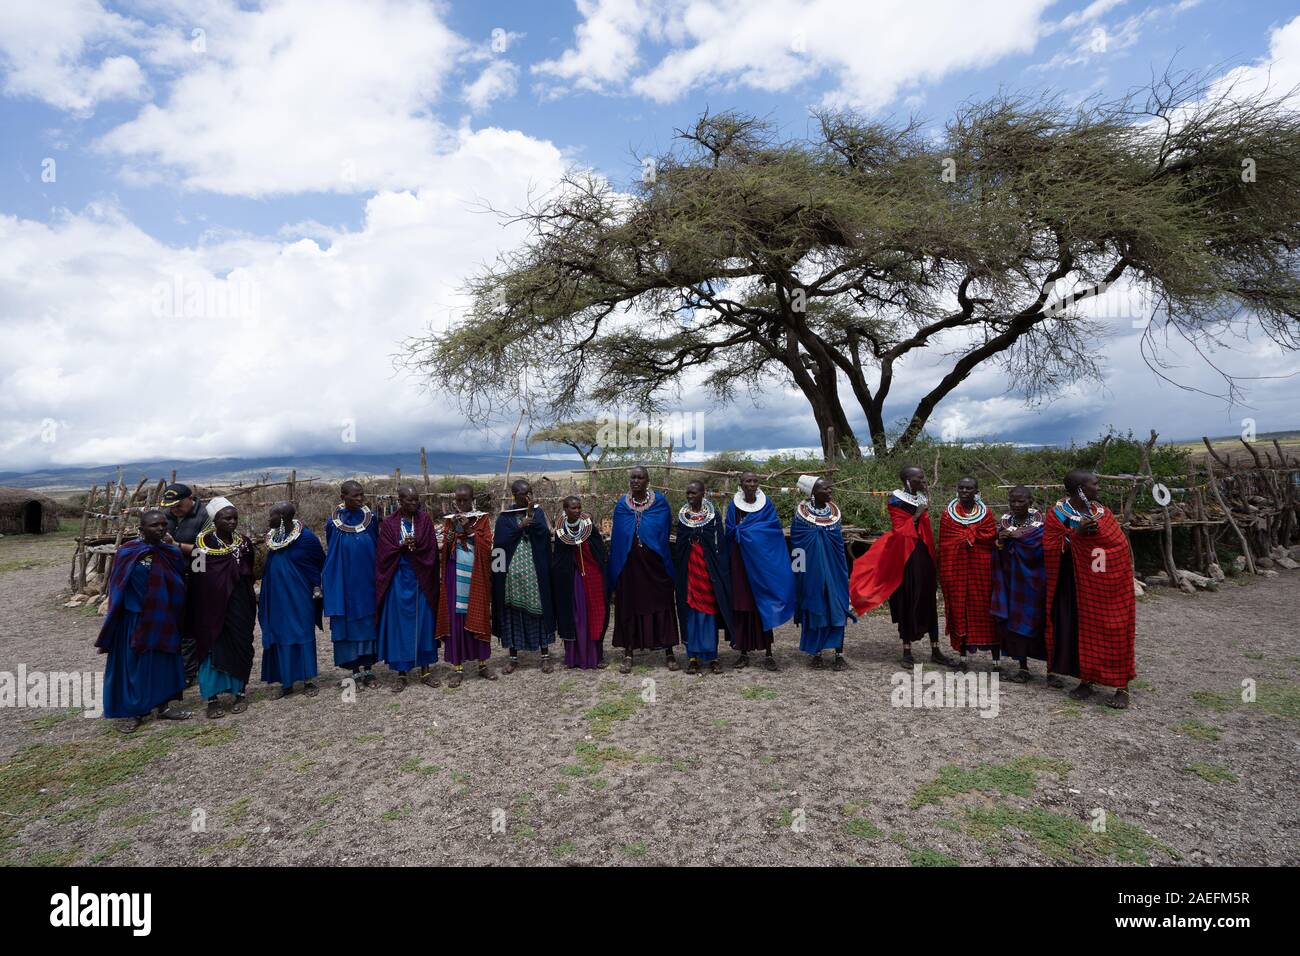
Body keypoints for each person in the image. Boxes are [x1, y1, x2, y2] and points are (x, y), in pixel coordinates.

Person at [1044, 469, 1136, 709]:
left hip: (1108, 586)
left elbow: (1118, 546)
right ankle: (1087, 680)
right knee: (1081, 632)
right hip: (1074, 585)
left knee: (1115, 629)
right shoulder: (1057, 515)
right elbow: (1051, 548)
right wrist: (1076, 534)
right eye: (1095, 484)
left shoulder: (1102, 514)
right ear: (1081, 490)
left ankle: (1122, 686)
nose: (1099, 487)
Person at [95, 508, 190, 733]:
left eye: (163, 525)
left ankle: (164, 706)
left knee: (163, 662)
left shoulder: (171, 553)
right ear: (141, 529)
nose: (160, 529)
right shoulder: (128, 552)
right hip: (134, 618)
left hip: (163, 618)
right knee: (134, 666)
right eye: (154, 525)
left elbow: (178, 584)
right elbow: (117, 586)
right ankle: (134, 712)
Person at [850, 466, 956, 668]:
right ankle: (907, 650)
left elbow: (923, 520)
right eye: (919, 477)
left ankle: (935, 649)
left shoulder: (921, 498)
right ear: (907, 480)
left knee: (928, 597)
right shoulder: (896, 500)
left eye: (924, 477)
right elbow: (900, 530)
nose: (923, 480)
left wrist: (924, 501)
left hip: (923, 551)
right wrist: (918, 514)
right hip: (906, 555)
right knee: (909, 597)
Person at [186, 498, 256, 718]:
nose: (232, 521)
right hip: (210, 606)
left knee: (240, 643)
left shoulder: (244, 543)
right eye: (227, 518)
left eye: (235, 517)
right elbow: (196, 576)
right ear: (214, 520)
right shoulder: (202, 545)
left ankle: (240, 693)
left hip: (239, 603)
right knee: (210, 648)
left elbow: (249, 571)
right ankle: (213, 698)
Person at [607, 466, 680, 674]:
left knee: (663, 604)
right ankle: (628, 653)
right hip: (630, 566)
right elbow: (619, 536)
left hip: (656, 565)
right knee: (629, 606)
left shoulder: (660, 504)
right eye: (633, 478)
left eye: (640, 478)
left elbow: (662, 532)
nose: (635, 481)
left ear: (648, 481)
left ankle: (669, 652)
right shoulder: (622, 505)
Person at [725, 471, 795, 671]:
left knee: (763, 604)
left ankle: (768, 653)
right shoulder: (734, 507)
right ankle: (743, 653)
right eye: (748, 481)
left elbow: (772, 531)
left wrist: (748, 532)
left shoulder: (766, 505)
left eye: (755, 481)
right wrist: (744, 532)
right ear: (741, 484)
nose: (752, 484)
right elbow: (730, 530)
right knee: (742, 606)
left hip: (762, 565)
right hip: (741, 564)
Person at [376, 485, 441, 691]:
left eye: (416, 500)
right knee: (399, 624)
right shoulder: (389, 523)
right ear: (400, 500)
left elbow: (431, 549)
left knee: (424, 623)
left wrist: (417, 548)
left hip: (421, 579)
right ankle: (402, 673)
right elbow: (384, 553)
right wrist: (400, 547)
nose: (414, 503)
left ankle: (426, 670)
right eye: (409, 500)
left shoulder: (424, 520)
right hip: (397, 578)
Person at [258, 501, 325, 699]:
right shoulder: (273, 538)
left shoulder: (306, 538)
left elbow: (319, 562)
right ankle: (286, 682)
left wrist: (315, 586)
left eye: (272, 516)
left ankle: (308, 680)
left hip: (299, 595)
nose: (268, 519)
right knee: (280, 635)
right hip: (277, 597)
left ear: (283, 518)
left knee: (302, 633)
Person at [492, 479, 556, 674]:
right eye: (523, 494)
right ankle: (513, 657)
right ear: (514, 495)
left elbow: (545, 537)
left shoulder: (537, 512)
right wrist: (520, 527)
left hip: (534, 574)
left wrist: (531, 521)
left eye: (530, 492)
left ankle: (544, 656)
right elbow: (499, 544)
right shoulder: (505, 517)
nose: (528, 496)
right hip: (511, 576)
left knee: (539, 610)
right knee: (512, 614)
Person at [791, 476, 854, 671]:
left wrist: (842, 571)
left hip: (835, 570)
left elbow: (838, 545)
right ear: (813, 493)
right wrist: (798, 574)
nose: (829, 491)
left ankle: (838, 654)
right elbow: (797, 546)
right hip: (810, 572)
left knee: (836, 605)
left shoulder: (834, 514)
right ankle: (816, 653)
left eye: (829, 488)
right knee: (815, 607)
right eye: (825, 489)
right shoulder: (801, 516)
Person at [436, 483, 496, 687]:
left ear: (473, 500)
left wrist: (469, 530)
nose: (462, 504)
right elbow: (445, 547)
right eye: (458, 500)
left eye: (465, 500)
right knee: (456, 618)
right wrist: (453, 530)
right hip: (455, 573)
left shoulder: (482, 519)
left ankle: (482, 664)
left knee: (478, 613)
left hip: (476, 573)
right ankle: (457, 668)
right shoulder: (449, 521)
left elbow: (487, 547)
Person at [321, 480, 380, 689]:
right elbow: (333, 551)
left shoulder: (372, 521)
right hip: (345, 583)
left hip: (367, 582)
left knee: (367, 623)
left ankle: (369, 669)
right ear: (343, 497)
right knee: (349, 625)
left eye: (361, 495)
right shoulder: (332, 524)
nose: (360, 499)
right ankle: (354, 671)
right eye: (355, 496)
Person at [938, 476, 1000, 671]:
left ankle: (996, 661)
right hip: (955, 570)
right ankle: (963, 658)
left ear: (976, 491)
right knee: (959, 609)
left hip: (981, 570)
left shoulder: (986, 514)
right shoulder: (948, 515)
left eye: (969, 488)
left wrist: (969, 536)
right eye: (961, 488)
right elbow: (945, 543)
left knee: (986, 609)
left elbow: (990, 536)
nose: (964, 491)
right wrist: (965, 538)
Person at [673, 480, 733, 675]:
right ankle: (692, 657)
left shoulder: (713, 516)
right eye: (688, 493)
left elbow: (718, 545)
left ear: (703, 494)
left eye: (694, 493)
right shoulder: (683, 517)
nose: (690, 496)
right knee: (690, 614)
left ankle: (713, 657)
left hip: (708, 574)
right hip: (689, 574)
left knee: (709, 613)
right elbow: (680, 545)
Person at [990, 486, 1049, 684]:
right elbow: (999, 553)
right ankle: (1023, 668)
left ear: (1030, 502)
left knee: (1043, 624)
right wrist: (1000, 541)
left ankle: (1052, 671)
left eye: (1021, 501)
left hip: (1038, 583)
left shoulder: (1042, 526)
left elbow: (1047, 549)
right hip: (1014, 583)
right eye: (1012, 501)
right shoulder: (1006, 524)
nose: (1016, 505)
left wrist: (1022, 537)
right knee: (1016, 626)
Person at [551, 495, 609, 670]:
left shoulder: (589, 528)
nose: (577, 511)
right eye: (573, 508)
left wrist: (585, 548)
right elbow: (559, 559)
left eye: (579, 508)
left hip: (591, 575)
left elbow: (600, 552)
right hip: (572, 579)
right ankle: (575, 656)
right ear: (565, 510)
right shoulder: (561, 531)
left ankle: (595, 656)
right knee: (576, 616)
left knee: (594, 613)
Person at [160, 482, 206, 686]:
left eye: (178, 504)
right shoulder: (166, 516)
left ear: (190, 499)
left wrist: (175, 545)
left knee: (189, 626)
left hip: (193, 576)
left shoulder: (205, 517)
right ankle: (172, 668)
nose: (174, 509)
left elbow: (205, 552)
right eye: (171, 505)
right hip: (167, 577)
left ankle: (188, 673)